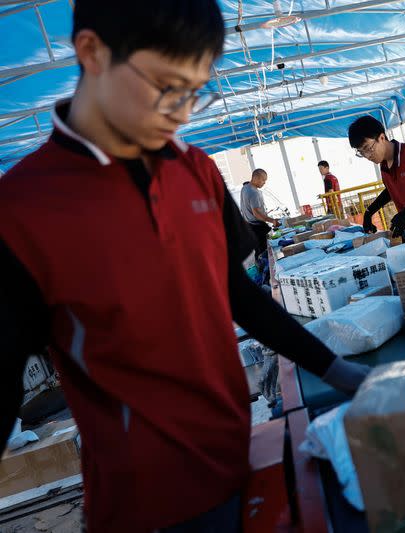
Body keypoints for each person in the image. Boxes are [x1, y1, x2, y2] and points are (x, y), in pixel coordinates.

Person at [0, 2, 370, 531]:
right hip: (147, 500)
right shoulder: (22, 212)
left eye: (195, 91)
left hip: (234, 453)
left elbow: (238, 295)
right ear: (92, 52)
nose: (182, 113)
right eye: (167, 86)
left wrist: (333, 367)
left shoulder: (195, 172)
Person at [240, 168, 278, 267]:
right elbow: (256, 213)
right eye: (263, 180)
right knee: (264, 253)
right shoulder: (253, 192)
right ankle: (266, 274)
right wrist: (272, 220)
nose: (264, 183)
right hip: (257, 227)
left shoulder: (245, 188)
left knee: (259, 252)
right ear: (256, 178)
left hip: (249, 226)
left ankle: (262, 270)